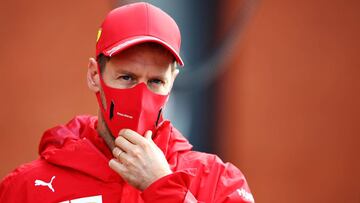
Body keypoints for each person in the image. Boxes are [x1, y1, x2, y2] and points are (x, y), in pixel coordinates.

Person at [0, 2, 254, 203]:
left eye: (155, 81)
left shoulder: (217, 182)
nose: (141, 96)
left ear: (172, 82)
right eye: (126, 77)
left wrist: (163, 188)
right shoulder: (27, 187)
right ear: (94, 75)